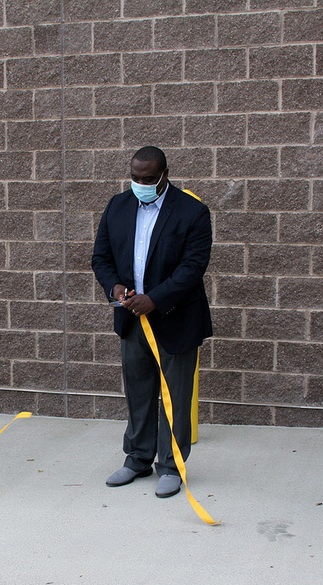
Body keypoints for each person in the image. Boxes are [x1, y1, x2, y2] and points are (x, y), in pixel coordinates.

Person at [91, 146, 213, 499]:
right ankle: (138, 458)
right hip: (131, 320)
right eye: (135, 178)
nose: (140, 184)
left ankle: (172, 466)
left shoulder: (193, 212)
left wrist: (155, 299)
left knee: (174, 396)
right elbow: (101, 257)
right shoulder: (118, 206)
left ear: (164, 175)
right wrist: (113, 286)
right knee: (139, 391)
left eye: (148, 179)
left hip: (175, 319)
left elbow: (193, 267)